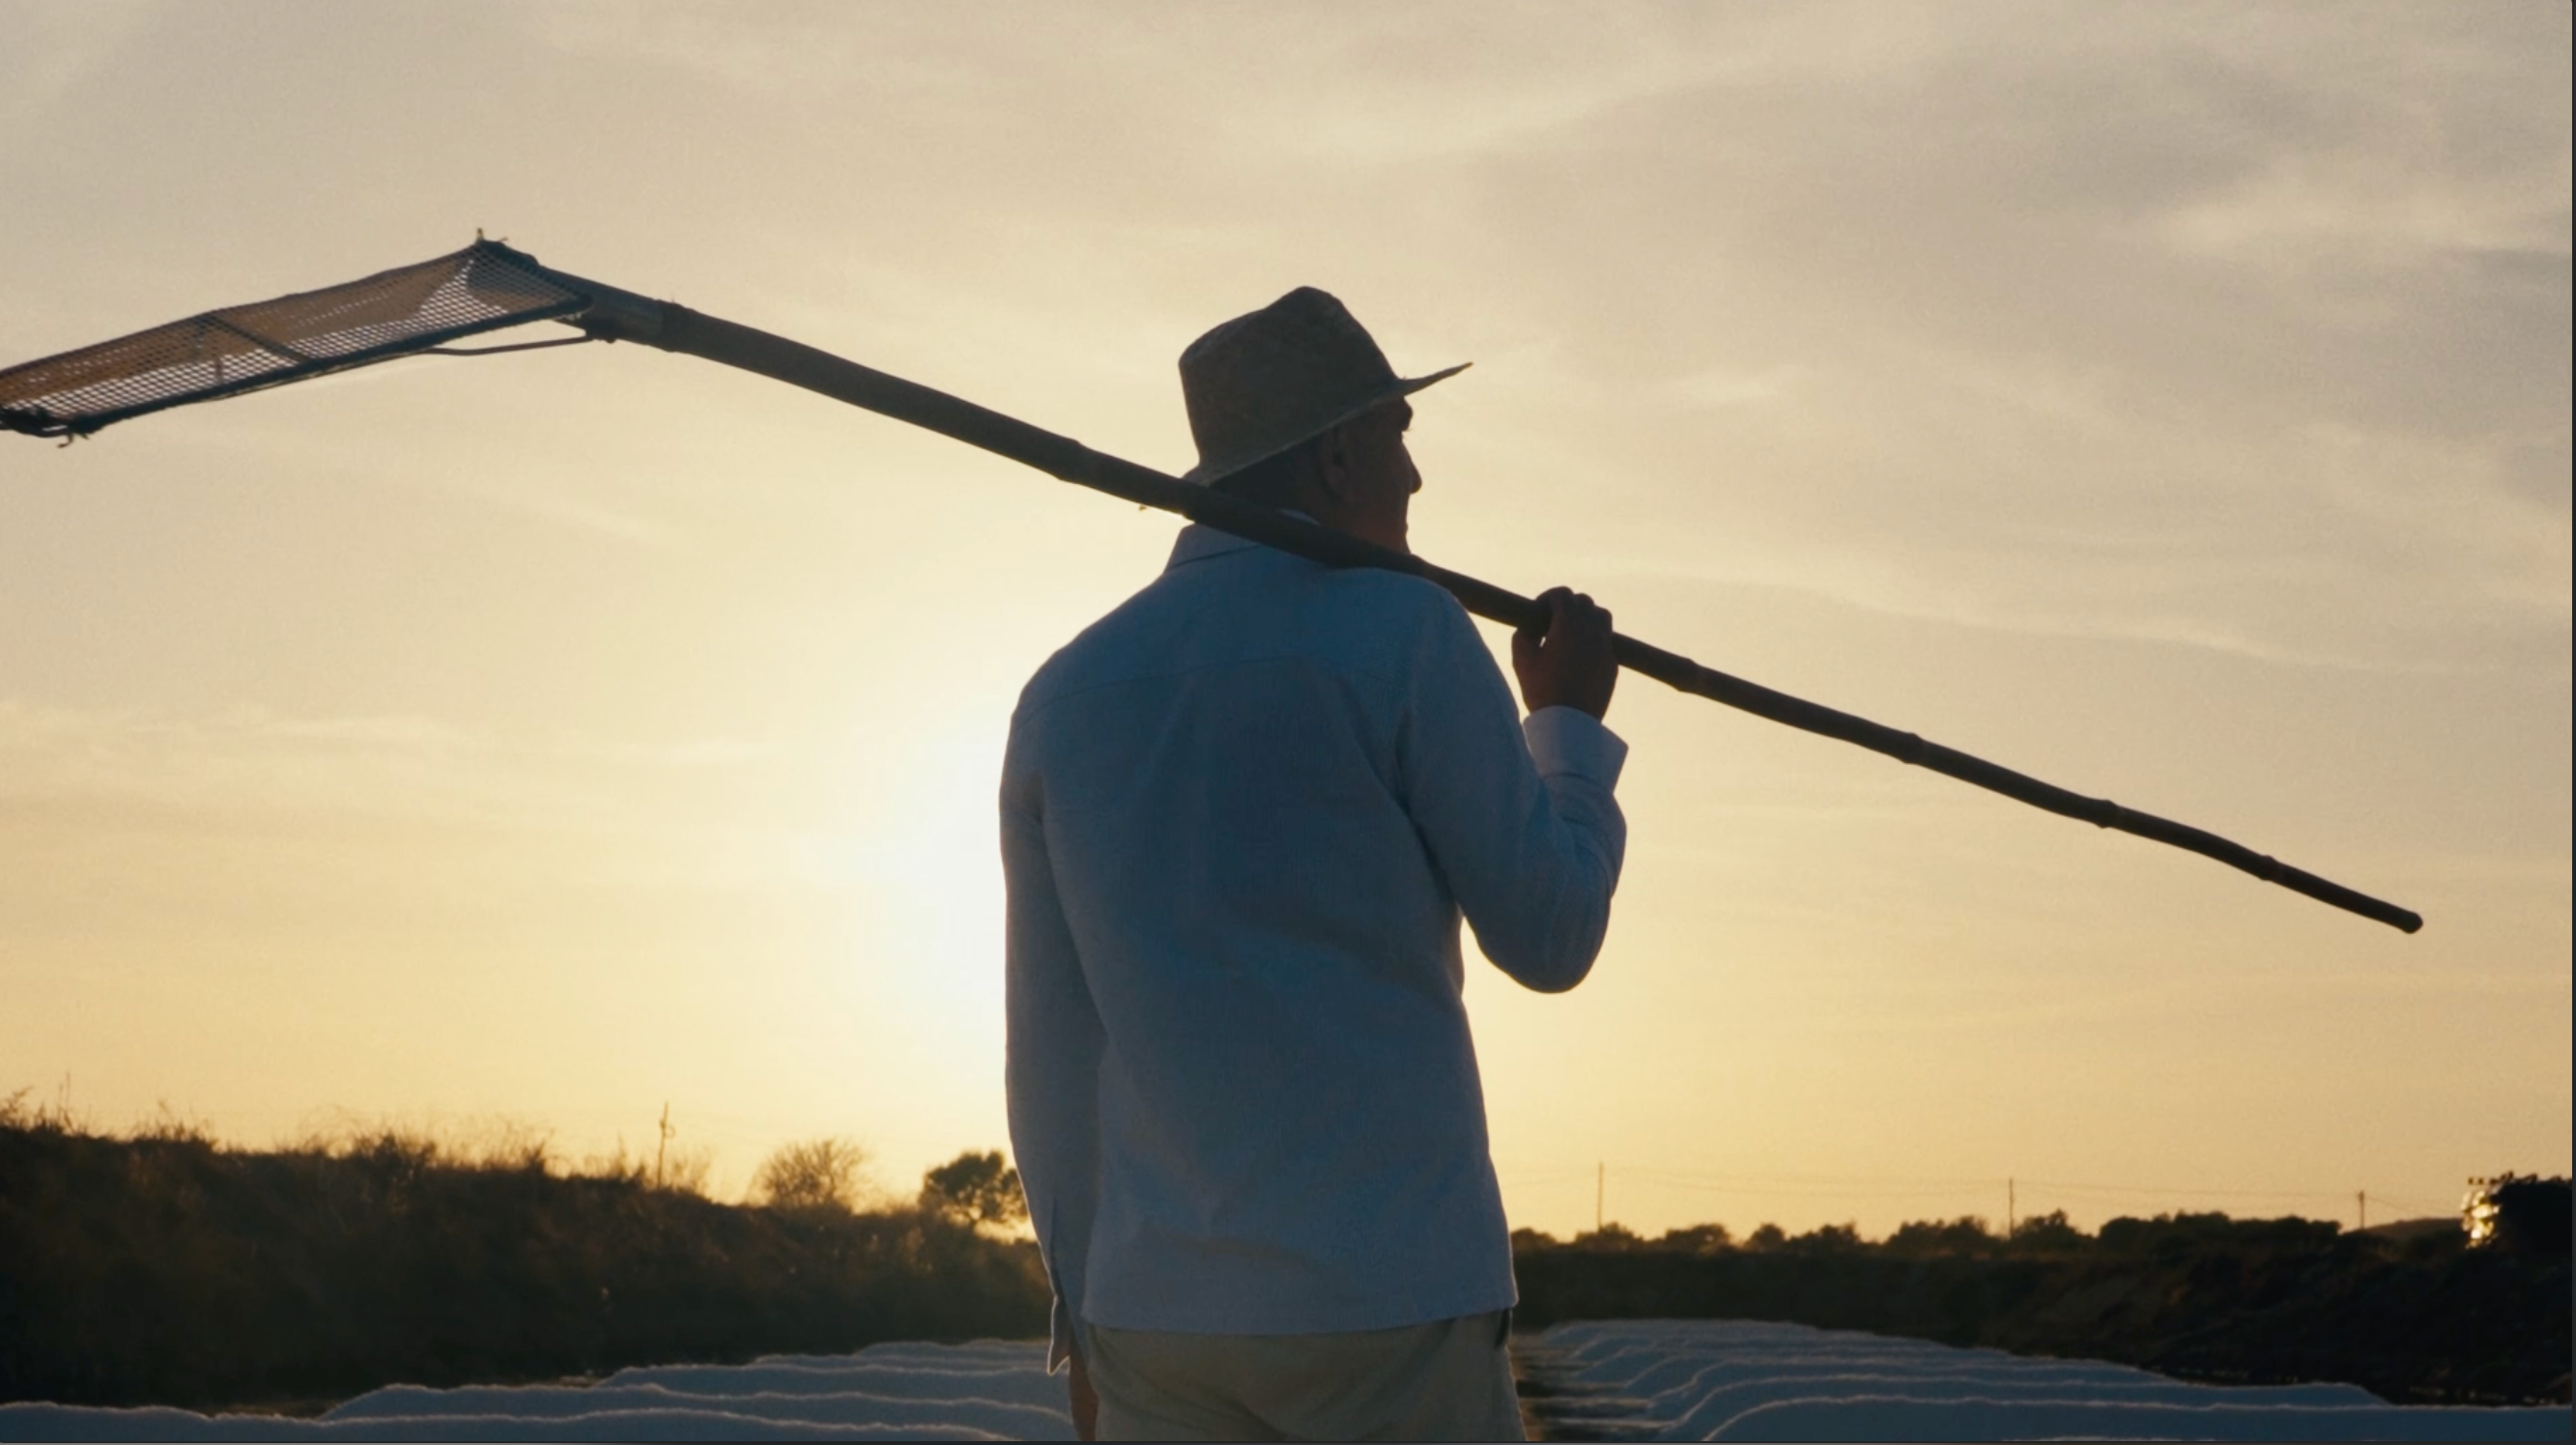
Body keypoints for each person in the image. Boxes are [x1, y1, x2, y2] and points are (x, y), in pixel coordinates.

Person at [1002, 286, 1628, 1441]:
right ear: (1337, 456)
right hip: (1384, 1298)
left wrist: (1080, 1311)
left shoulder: (1064, 693)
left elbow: (1048, 1050)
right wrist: (1568, 727)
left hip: (1156, 1319)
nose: (1414, 476)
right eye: (1397, 434)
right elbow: (1549, 932)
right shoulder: (1404, 629)